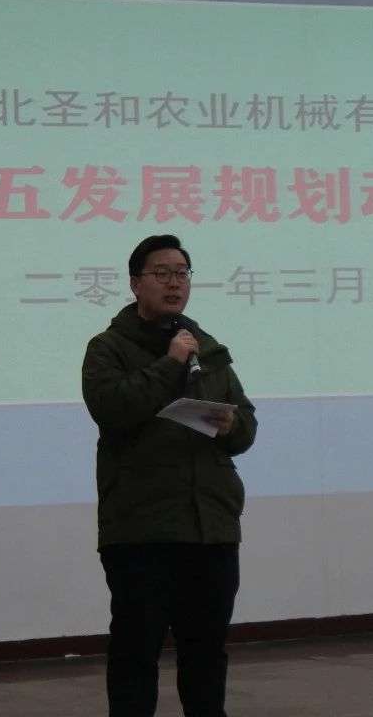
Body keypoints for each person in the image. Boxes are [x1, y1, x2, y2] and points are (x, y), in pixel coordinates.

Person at [82, 234, 258, 717]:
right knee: (136, 652)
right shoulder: (108, 348)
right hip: (142, 529)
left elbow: (246, 426)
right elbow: (113, 408)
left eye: (182, 273)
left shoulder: (209, 349)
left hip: (210, 527)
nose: (174, 283)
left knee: (206, 653)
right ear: (135, 283)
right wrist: (171, 363)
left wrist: (230, 424)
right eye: (161, 273)